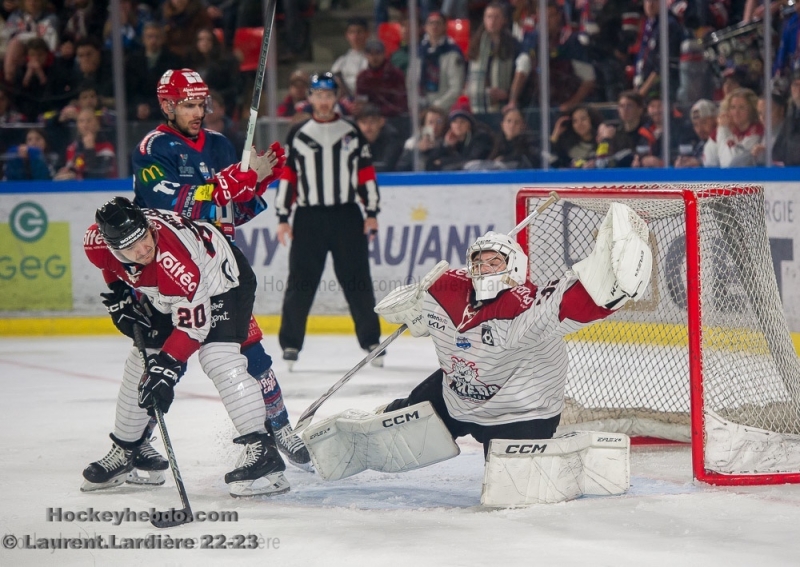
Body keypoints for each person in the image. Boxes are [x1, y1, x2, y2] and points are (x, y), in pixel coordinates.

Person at [321, 203, 652, 474]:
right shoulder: (447, 290)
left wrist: (615, 277)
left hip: (521, 409)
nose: (485, 268)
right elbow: (414, 317)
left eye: (496, 261)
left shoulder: (529, 306)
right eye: (479, 262)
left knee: (511, 481)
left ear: (515, 267)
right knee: (389, 436)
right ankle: (341, 441)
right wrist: (416, 302)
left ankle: (569, 458)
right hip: (455, 396)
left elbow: (584, 300)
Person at [129, 68, 312, 472]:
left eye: (201, 104)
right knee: (156, 361)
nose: (198, 112)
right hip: (170, 275)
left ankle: (279, 427)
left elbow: (231, 211)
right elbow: (173, 206)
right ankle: (135, 443)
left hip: (221, 271)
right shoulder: (151, 148)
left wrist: (256, 186)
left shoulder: (218, 145)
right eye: (188, 105)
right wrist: (228, 184)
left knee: (252, 353)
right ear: (167, 105)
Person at [82, 197, 289, 498]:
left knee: (218, 358)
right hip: (168, 294)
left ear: (148, 227)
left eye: (143, 238)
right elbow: (107, 265)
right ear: (113, 247)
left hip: (221, 280)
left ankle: (262, 451)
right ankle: (127, 449)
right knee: (142, 361)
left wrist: (168, 367)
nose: (141, 250)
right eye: (129, 248)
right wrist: (118, 294)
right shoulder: (97, 243)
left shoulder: (173, 262)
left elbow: (194, 328)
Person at [275, 72, 383, 369]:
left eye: (328, 94)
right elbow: (289, 177)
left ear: (336, 98)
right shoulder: (298, 134)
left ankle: (372, 340)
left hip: (347, 215)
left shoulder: (351, 132)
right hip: (308, 218)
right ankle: (291, 344)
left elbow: (365, 174)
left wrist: (371, 213)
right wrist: (283, 217)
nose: (323, 100)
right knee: (300, 281)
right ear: (309, 98)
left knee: (357, 279)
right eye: (317, 94)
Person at [412, 11, 466, 114]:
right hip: (420, 110)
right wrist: (415, 105)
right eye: (431, 23)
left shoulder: (452, 53)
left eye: (438, 23)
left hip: (445, 110)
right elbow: (411, 83)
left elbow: (456, 87)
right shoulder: (418, 53)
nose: (434, 26)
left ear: (445, 27)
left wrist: (437, 107)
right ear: (425, 27)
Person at [703, 87, 765, 168]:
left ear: (751, 110)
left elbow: (731, 164)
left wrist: (724, 130)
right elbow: (709, 162)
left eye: (741, 107)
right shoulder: (720, 131)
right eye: (733, 107)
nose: (736, 112)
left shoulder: (757, 130)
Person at [425, 104, 494, 171]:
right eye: (454, 122)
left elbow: (471, 162)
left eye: (462, 122)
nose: (458, 125)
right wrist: (446, 145)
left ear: (469, 124)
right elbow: (431, 164)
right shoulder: (447, 138)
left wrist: (443, 162)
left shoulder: (481, 137)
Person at [54, 108, 116, 180]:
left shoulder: (106, 147)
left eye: (89, 121)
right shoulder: (72, 148)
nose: (85, 124)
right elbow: (73, 168)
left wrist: (90, 149)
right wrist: (66, 172)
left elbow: (99, 175)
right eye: (81, 121)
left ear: (97, 124)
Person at [355, 37, 408, 118]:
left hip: (394, 118)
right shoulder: (362, 77)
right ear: (366, 55)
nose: (374, 57)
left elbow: (401, 104)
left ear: (384, 54)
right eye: (371, 54)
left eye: (377, 53)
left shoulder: (396, 74)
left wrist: (380, 111)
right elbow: (361, 102)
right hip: (370, 119)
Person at [395, 106, 449, 172]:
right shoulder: (412, 143)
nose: (434, 126)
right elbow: (401, 168)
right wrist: (418, 151)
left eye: (439, 122)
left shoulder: (447, 143)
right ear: (423, 125)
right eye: (430, 122)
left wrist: (446, 147)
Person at [355, 103, 404, 172]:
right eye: (364, 122)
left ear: (381, 122)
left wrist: (359, 174)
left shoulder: (391, 138)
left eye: (372, 122)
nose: (367, 127)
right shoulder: (354, 139)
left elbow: (386, 167)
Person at [674, 99, 717, 168]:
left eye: (704, 122)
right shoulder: (700, 145)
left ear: (716, 120)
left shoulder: (723, 141)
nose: (700, 129)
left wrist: (699, 163)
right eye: (696, 124)